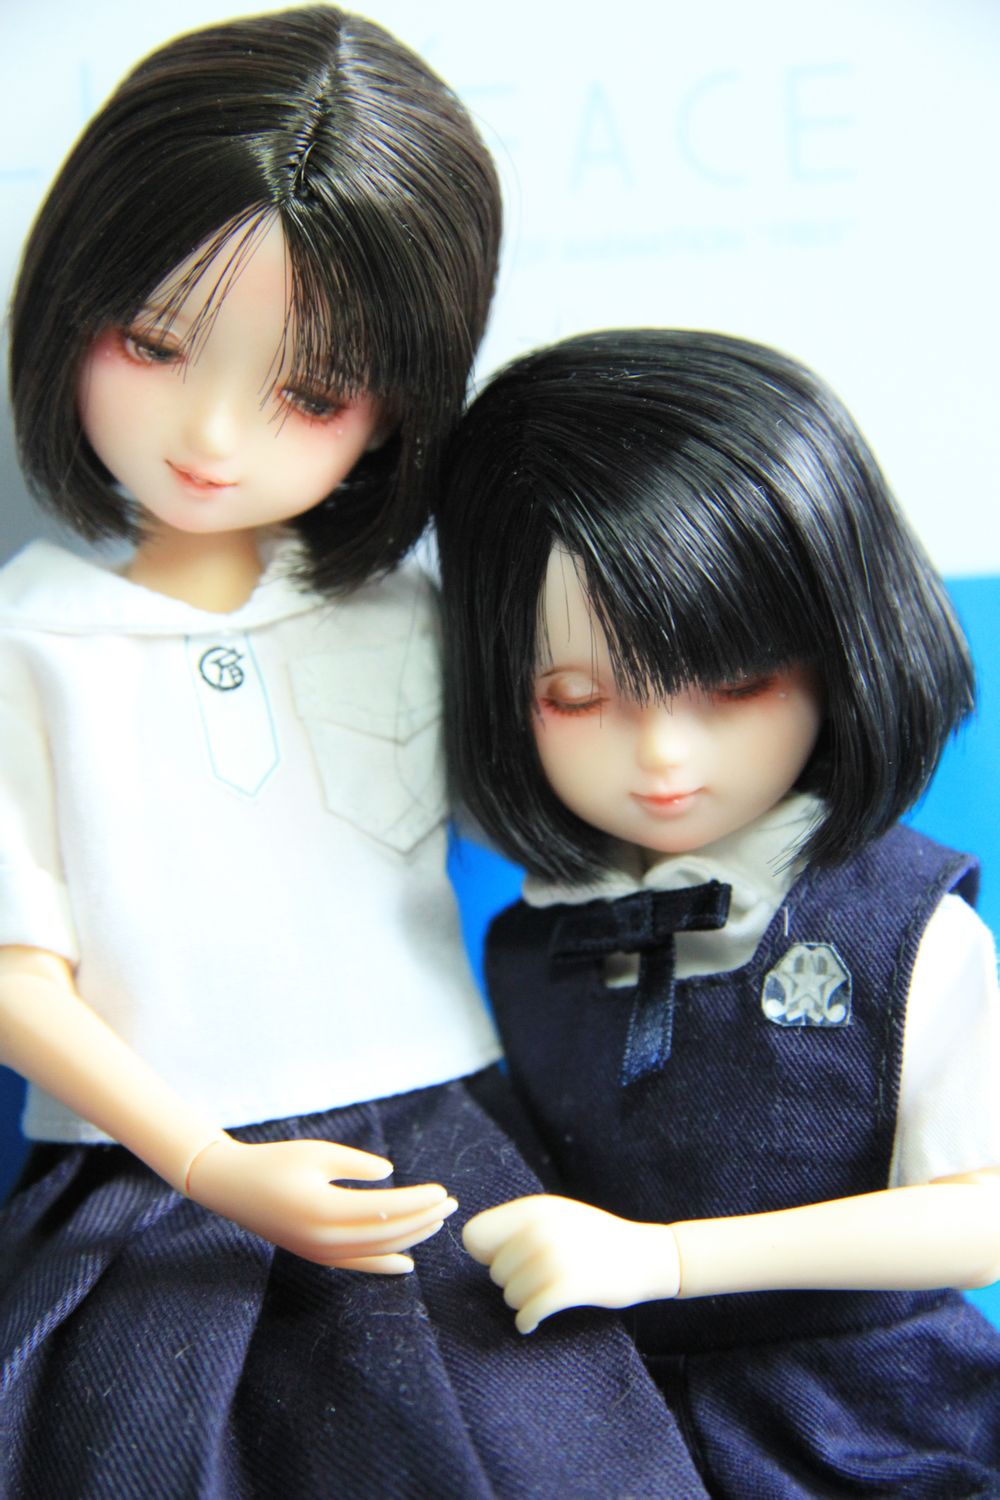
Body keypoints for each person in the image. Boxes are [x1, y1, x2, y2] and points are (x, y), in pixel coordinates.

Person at [0, 21, 705, 1497]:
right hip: (154, 1182)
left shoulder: (415, 620)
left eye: (310, 393)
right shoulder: (34, 644)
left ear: (398, 406)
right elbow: (18, 978)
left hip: (439, 1145)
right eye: (154, 343)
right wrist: (210, 1165)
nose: (209, 434)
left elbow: (574, 820)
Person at [436, 328, 1000, 1496]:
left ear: (841, 651)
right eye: (575, 696)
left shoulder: (899, 928)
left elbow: (978, 1219)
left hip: (868, 1424)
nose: (662, 756)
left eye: (735, 686)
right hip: (606, 1429)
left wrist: (669, 1260)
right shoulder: (532, 946)